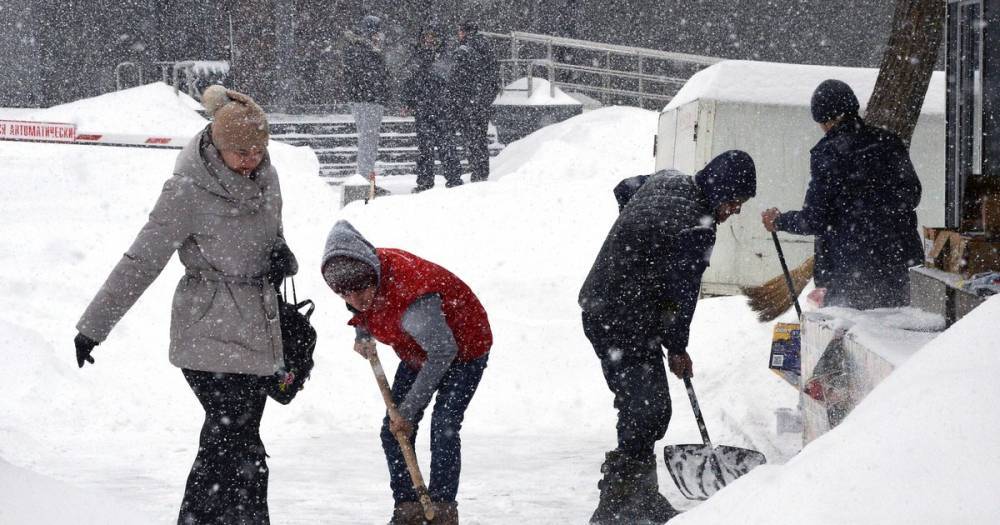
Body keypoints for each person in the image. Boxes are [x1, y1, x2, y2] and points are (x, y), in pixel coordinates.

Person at [73, 85, 298, 525]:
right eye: (241, 151)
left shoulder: (268, 178)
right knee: (232, 439)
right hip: (207, 329)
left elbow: (273, 236)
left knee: (237, 443)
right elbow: (141, 260)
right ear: (217, 144)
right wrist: (94, 326)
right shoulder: (186, 191)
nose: (252, 159)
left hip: (258, 331)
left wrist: (281, 256)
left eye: (258, 149)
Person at [579, 151, 757, 524]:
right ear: (720, 190)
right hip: (622, 318)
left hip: (605, 307)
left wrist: (638, 244)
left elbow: (625, 189)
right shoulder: (697, 225)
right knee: (647, 408)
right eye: (735, 201)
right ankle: (616, 507)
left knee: (643, 406)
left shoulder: (668, 179)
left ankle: (639, 498)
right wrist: (677, 348)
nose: (735, 211)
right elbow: (682, 294)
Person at [321, 220, 491, 525]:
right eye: (346, 295)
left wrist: (408, 412)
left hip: (464, 348)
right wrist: (362, 333)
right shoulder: (366, 271)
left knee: (444, 424)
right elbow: (364, 311)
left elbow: (443, 352)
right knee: (392, 429)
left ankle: (441, 511)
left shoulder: (413, 299)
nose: (356, 301)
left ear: (371, 275)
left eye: (361, 291)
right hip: (417, 349)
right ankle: (409, 510)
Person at [761, 79, 923, 310]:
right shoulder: (889, 141)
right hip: (900, 265)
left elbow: (815, 219)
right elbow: (913, 194)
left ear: (827, 120)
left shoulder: (829, 153)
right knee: (895, 340)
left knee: (852, 338)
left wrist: (780, 221)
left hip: (853, 275)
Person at [401, 27, 464, 192]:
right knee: (425, 148)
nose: (429, 40)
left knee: (446, 146)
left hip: (442, 108)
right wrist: (408, 102)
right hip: (424, 107)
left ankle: (453, 179)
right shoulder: (418, 57)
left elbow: (450, 79)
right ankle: (425, 181)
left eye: (432, 37)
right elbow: (409, 81)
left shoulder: (444, 57)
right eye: (426, 37)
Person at [449, 20, 500, 183]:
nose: (458, 34)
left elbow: (457, 77)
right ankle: (482, 172)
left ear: (465, 32)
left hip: (468, 101)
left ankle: (477, 171)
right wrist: (486, 97)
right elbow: (494, 76)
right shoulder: (486, 47)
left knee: (471, 138)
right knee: (480, 137)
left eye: (460, 31)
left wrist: (458, 97)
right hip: (482, 101)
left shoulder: (465, 49)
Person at [343, 15, 392, 181]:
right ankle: (364, 179)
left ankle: (366, 178)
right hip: (368, 99)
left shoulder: (361, 48)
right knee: (368, 141)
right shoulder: (363, 49)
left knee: (369, 140)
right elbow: (371, 76)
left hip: (368, 98)